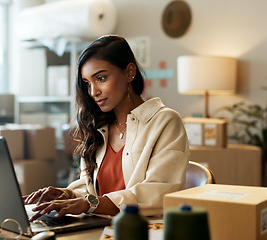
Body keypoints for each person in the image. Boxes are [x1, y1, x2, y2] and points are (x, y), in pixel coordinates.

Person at [24, 35, 189, 221]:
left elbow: (158, 192)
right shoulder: (98, 126)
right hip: (98, 229)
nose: (93, 91)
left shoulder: (165, 121)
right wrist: (67, 194)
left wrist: (89, 204)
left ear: (129, 73)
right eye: (87, 83)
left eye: (101, 78)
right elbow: (92, 190)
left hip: (143, 230)